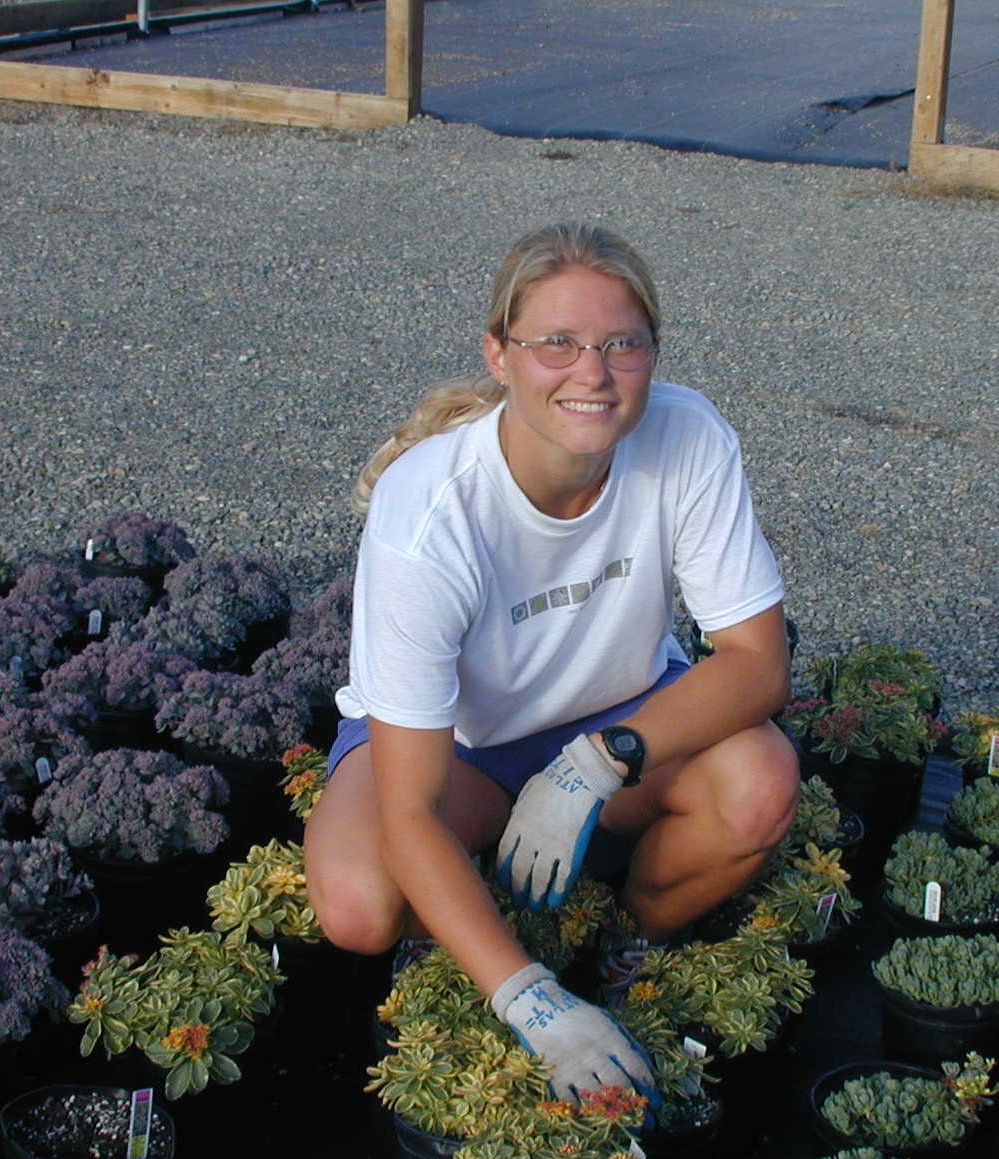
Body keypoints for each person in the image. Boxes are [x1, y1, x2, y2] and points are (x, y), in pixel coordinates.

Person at [304, 222, 798, 1111]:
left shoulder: (689, 437)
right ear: (499, 354)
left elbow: (760, 666)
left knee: (759, 781)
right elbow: (411, 805)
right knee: (358, 902)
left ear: (653, 352)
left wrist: (594, 764)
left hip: (619, 718)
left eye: (622, 344)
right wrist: (534, 1009)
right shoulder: (430, 516)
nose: (594, 372)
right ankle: (491, 948)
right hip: (459, 751)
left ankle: (628, 937)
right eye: (557, 344)